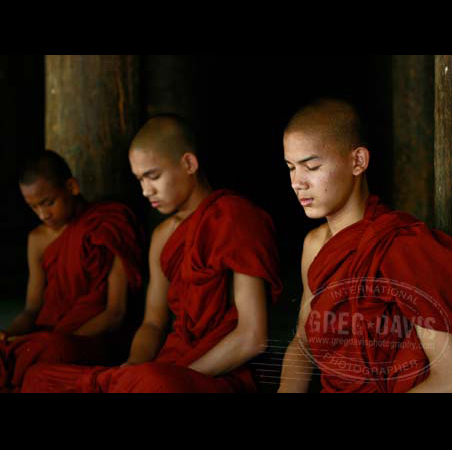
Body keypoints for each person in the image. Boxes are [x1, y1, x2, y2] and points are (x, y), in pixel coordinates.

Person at [23, 115, 282, 393]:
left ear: (188, 164)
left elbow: (252, 337)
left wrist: (173, 377)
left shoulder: (234, 217)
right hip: (167, 366)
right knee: (38, 377)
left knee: (155, 384)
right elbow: (153, 322)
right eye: (139, 180)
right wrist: (133, 366)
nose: (146, 191)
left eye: (153, 176)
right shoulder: (162, 237)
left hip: (217, 373)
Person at [278, 98, 452, 394]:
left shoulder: (402, 246)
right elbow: (303, 342)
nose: (297, 182)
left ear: (358, 161)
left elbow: (448, 378)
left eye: (312, 166)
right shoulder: (313, 245)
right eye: (291, 167)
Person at [0, 151, 144, 393]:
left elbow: (115, 313)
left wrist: (61, 341)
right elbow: (32, 308)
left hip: (92, 340)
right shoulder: (37, 239)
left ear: (72, 187)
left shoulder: (108, 225)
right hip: (47, 339)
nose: (43, 214)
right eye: (33, 207)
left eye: (48, 203)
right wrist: (9, 335)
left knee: (40, 357)